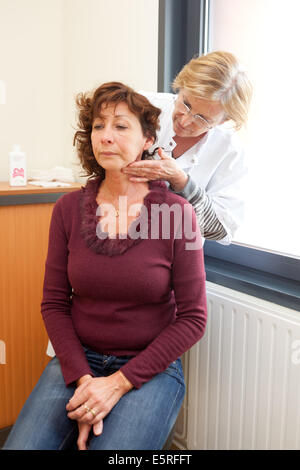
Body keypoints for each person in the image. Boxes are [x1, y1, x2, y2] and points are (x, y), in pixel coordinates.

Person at [3, 82, 207, 450]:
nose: (106, 137)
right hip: (78, 362)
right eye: (98, 126)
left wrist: (116, 384)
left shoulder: (178, 213)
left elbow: (194, 318)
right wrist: (85, 381)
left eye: (121, 126)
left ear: (148, 139)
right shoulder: (66, 210)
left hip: (151, 368)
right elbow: (53, 302)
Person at [122, 50, 252, 244]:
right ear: (181, 86)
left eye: (202, 118)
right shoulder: (141, 107)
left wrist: (182, 182)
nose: (186, 120)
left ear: (224, 120)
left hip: (176, 255)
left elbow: (220, 230)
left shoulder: (229, 151)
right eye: (186, 103)